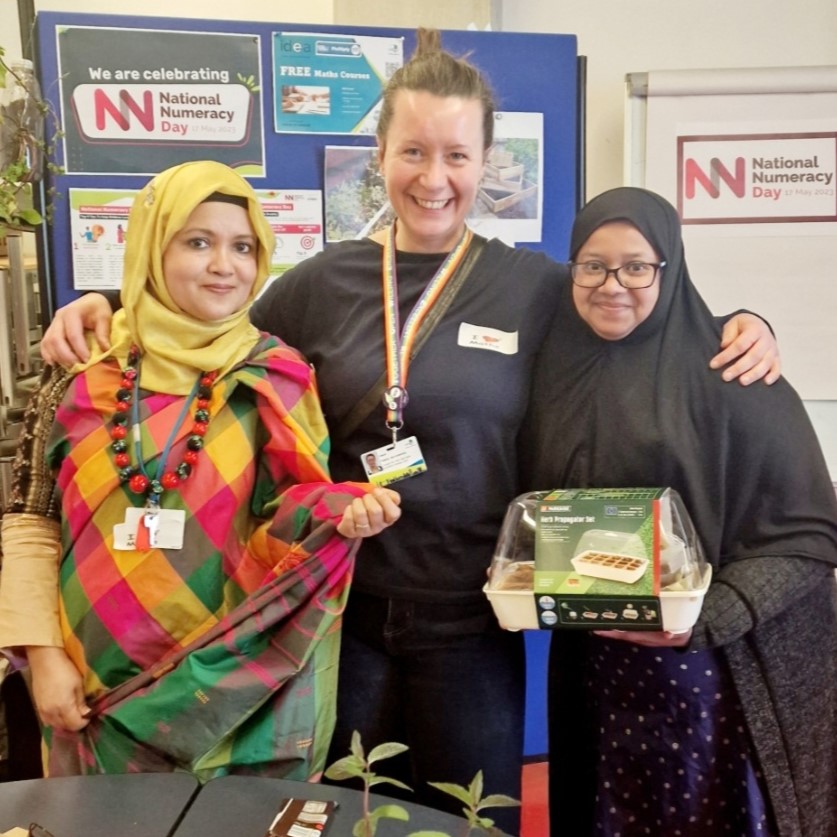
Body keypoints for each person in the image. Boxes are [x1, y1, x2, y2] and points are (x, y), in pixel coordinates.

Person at [36, 33, 781, 832]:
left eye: (456, 155)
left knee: (474, 819)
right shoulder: (319, 284)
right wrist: (106, 306)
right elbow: (204, 322)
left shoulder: (531, 287)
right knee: (349, 816)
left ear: (486, 161)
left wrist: (745, 321)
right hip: (342, 616)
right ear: (379, 155)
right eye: (413, 151)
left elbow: (635, 306)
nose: (434, 178)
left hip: (470, 624)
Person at [0, 160, 401, 781]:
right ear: (151, 249)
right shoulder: (78, 367)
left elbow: (288, 516)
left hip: (227, 689)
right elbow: (30, 521)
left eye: (242, 246)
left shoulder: (275, 376)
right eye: (197, 242)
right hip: (87, 686)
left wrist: (340, 512)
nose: (225, 265)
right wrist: (42, 655)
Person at [522, 187, 837, 837]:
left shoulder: (733, 370)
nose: (612, 283)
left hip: (715, 675)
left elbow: (809, 533)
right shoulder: (553, 371)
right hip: (592, 673)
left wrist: (706, 616)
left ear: (670, 268)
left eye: (636, 265)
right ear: (570, 271)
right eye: (591, 264)